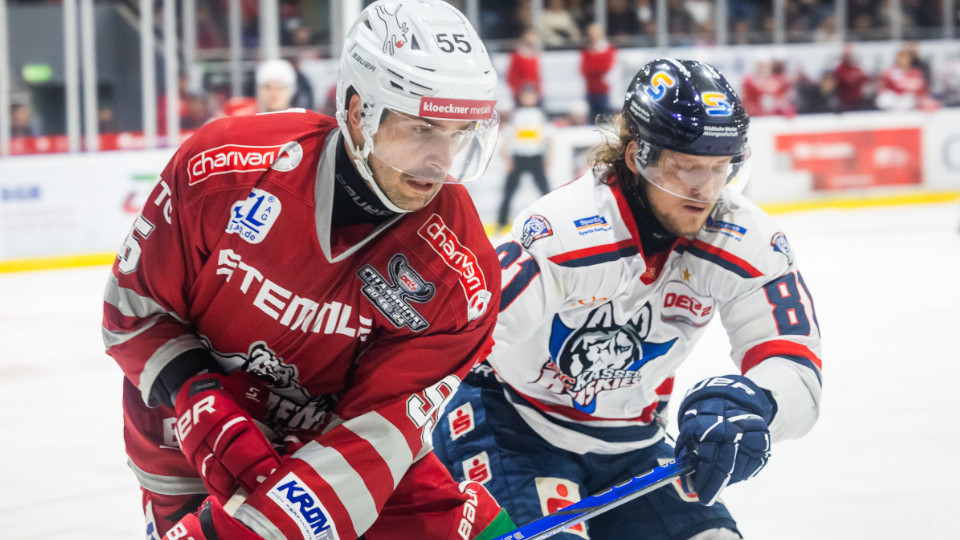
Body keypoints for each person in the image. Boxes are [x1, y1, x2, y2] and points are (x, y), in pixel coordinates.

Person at [103, 1, 515, 539]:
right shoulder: (223, 166)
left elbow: (374, 439)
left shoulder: (462, 274)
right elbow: (133, 310)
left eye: (459, 133)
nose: (442, 159)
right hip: (183, 438)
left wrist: (250, 530)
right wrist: (194, 393)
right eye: (422, 128)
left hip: (332, 449)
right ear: (358, 112)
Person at [433, 58, 823, 539]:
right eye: (687, 167)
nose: (705, 190)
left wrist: (755, 402)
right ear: (639, 156)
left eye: (720, 168)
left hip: (633, 440)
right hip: (513, 423)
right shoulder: (563, 230)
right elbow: (451, 340)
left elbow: (795, 364)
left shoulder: (746, 238)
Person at [496, 84, 554, 232]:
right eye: (525, 95)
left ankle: (553, 218)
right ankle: (501, 223)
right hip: (518, 157)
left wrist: (549, 157)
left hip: (536, 157)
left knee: (545, 191)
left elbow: (549, 138)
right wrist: (507, 158)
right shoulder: (516, 115)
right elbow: (508, 138)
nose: (528, 98)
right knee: (508, 192)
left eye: (531, 95)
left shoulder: (541, 115)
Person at [580, 23, 616, 124]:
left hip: (604, 91)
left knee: (604, 120)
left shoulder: (608, 50)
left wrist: (594, 68)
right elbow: (584, 69)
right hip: (590, 90)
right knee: (592, 120)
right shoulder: (586, 51)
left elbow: (606, 68)